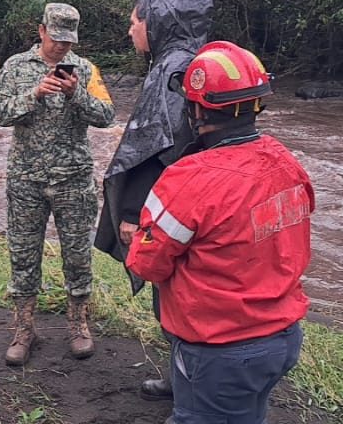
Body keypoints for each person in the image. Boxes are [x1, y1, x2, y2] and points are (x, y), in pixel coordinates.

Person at [126, 41, 313, 424]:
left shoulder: (187, 178)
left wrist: (134, 239)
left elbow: (148, 264)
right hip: (282, 337)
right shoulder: (285, 162)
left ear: (196, 109)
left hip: (221, 348)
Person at [95, 0, 213, 400]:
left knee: (178, 299)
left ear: (158, 22)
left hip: (171, 207)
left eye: (134, 21)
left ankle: (190, 392)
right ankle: (183, 379)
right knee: (184, 294)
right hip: (197, 202)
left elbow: (152, 150)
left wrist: (130, 213)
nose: (129, 31)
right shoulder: (196, 62)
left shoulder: (170, 71)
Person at [0, 2, 116, 365]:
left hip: (73, 179)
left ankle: (78, 325)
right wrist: (35, 94)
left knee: (77, 255)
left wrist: (77, 93)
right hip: (26, 179)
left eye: (68, 41)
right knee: (23, 255)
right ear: (42, 31)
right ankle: (24, 329)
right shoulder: (16, 67)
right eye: (56, 39)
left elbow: (107, 116)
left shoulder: (86, 69)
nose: (61, 47)